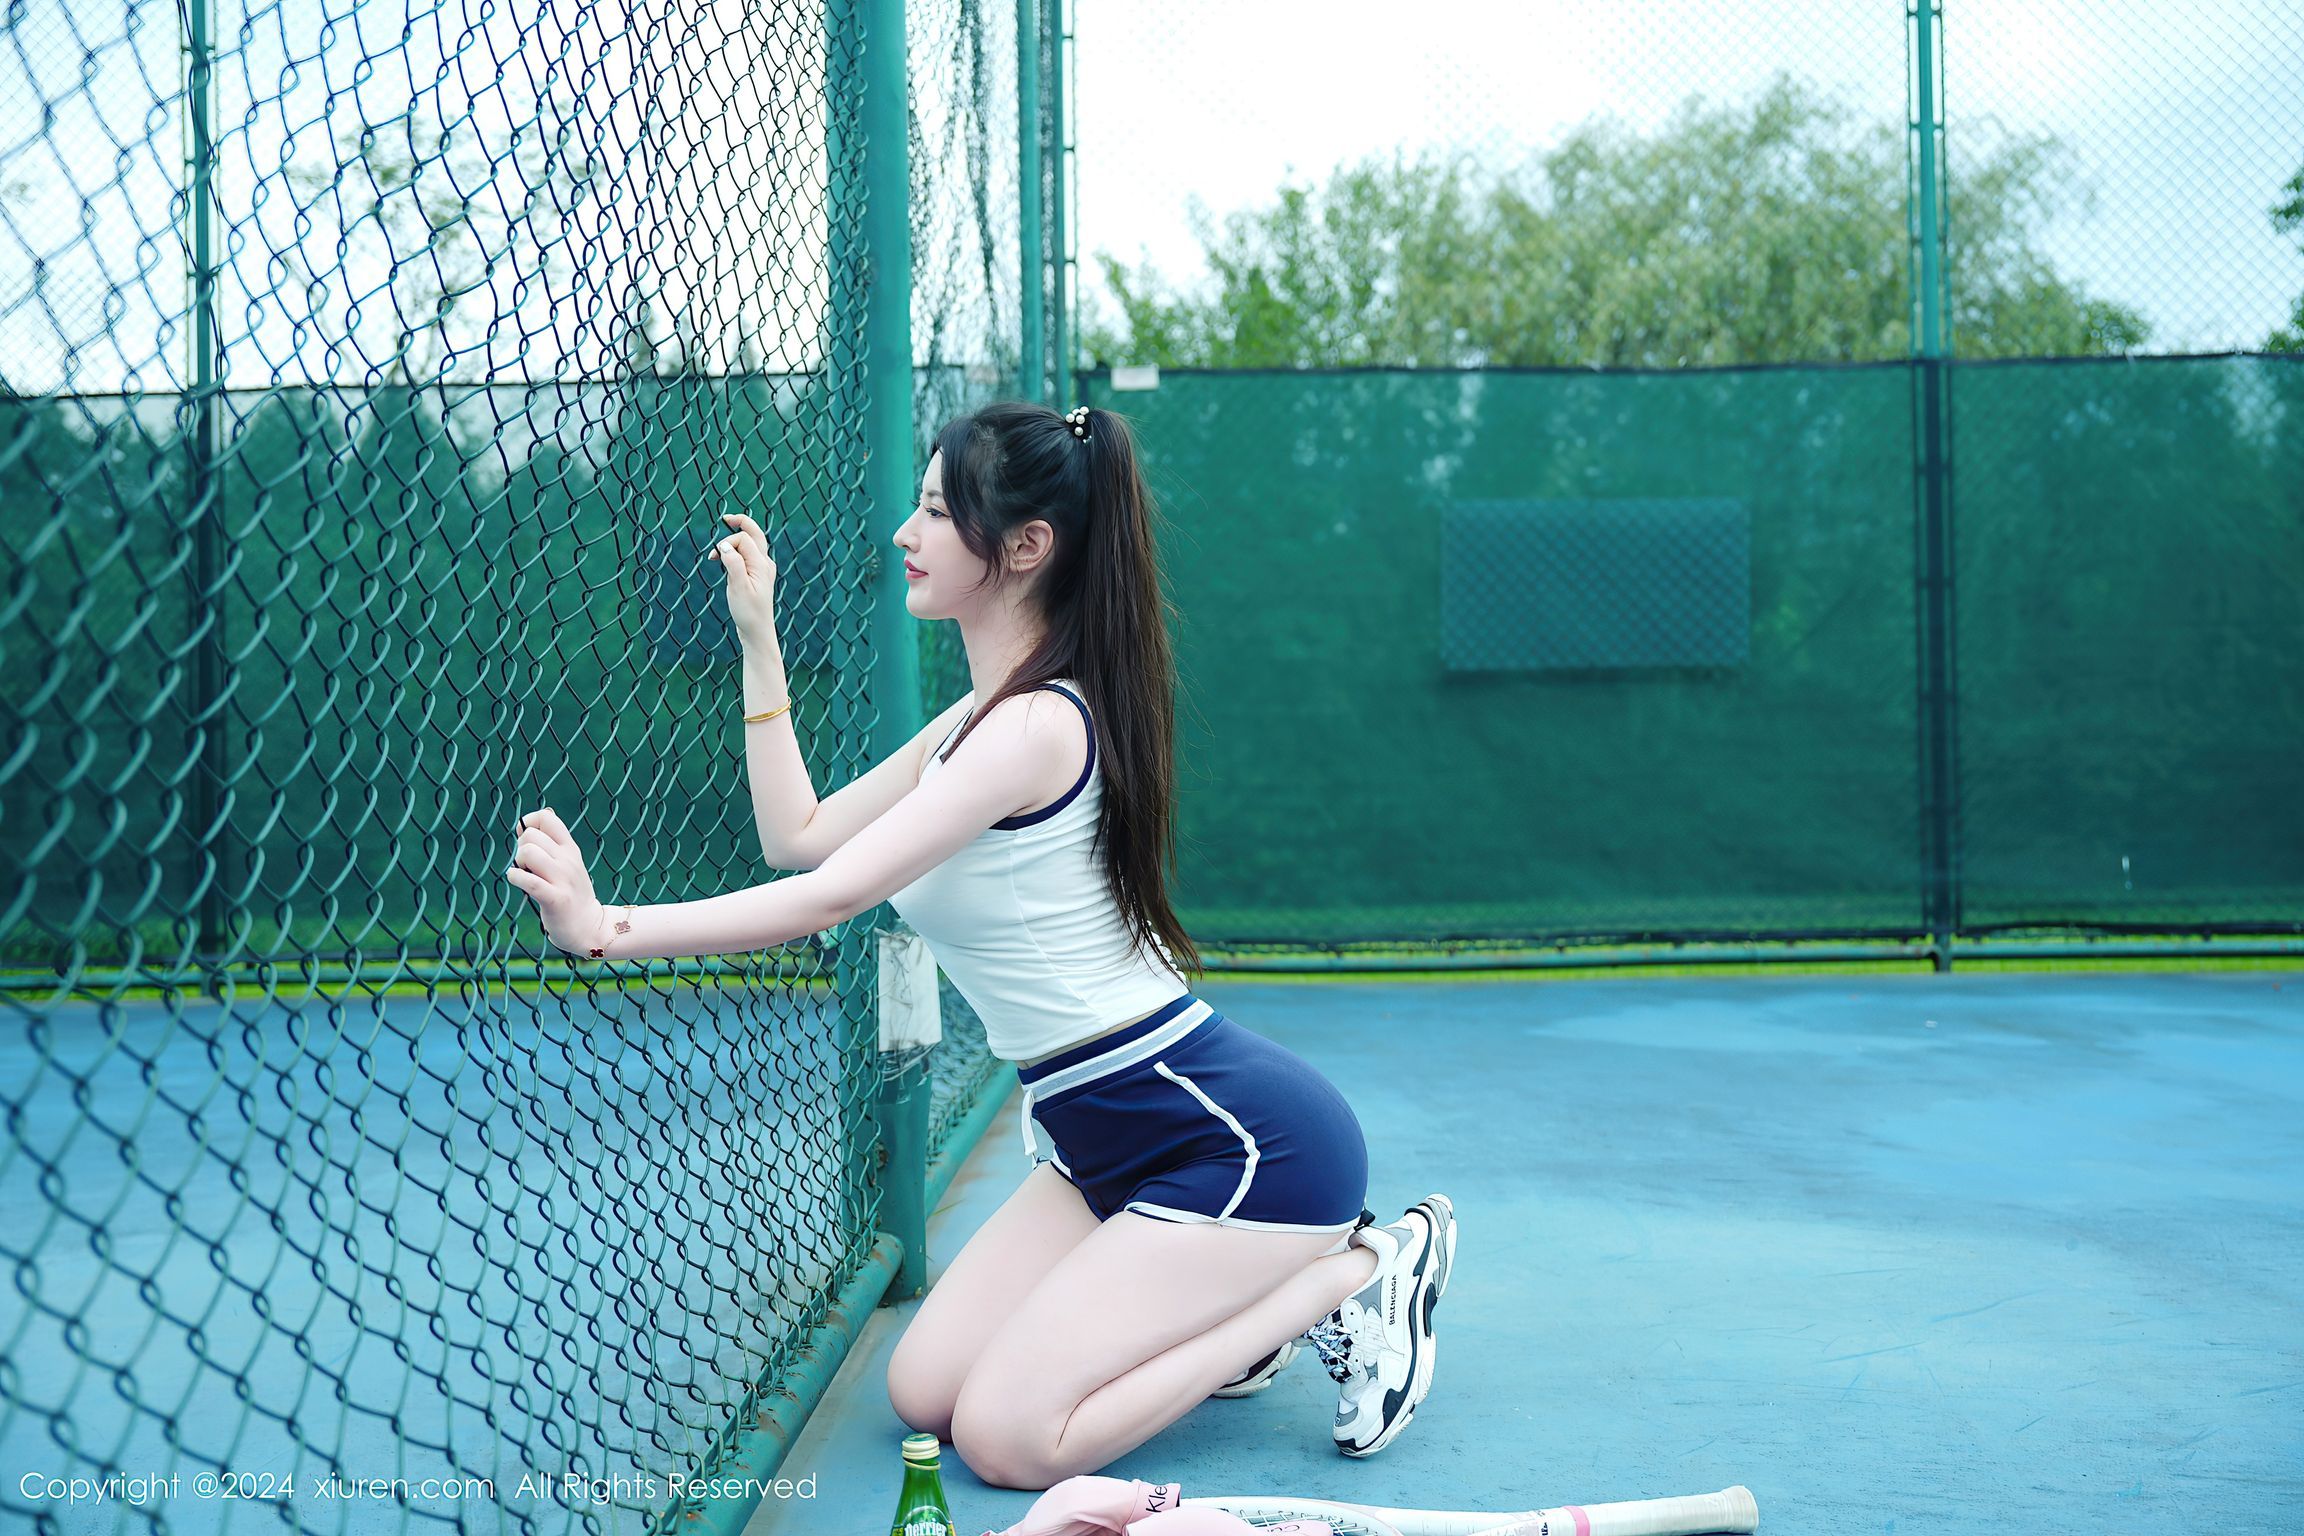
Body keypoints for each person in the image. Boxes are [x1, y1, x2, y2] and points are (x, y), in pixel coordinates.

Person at [504, 400, 1458, 1493]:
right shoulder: (970, 725)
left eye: (933, 511)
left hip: (1236, 1144)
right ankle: (1237, 1304)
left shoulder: (1036, 727)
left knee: (1008, 1440)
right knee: (924, 1393)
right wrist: (759, 640)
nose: (904, 534)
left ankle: (1354, 1269)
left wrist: (605, 931)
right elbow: (798, 838)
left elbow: (829, 897)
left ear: (1025, 545)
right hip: (1099, 1144)